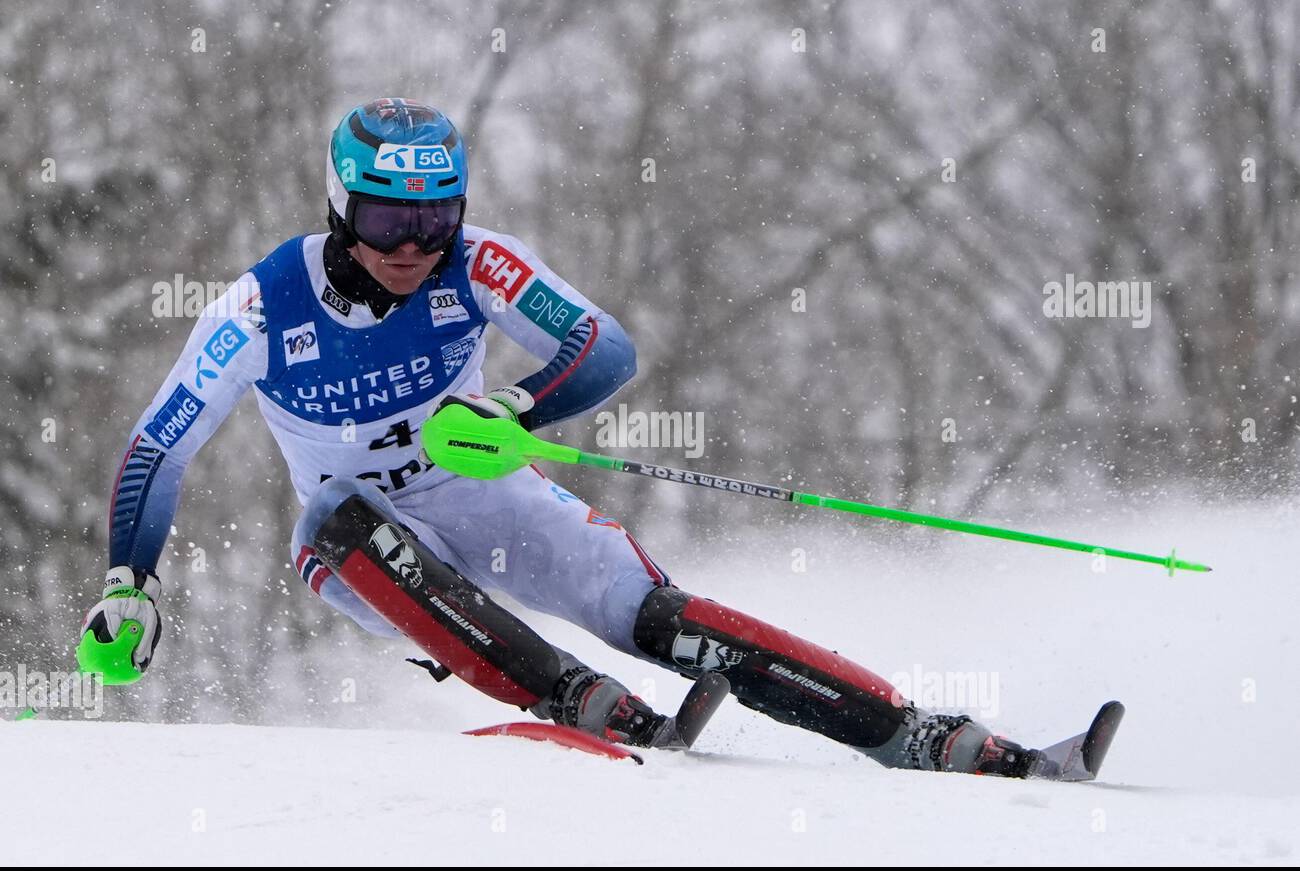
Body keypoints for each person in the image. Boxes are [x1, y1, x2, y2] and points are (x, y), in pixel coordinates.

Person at [86, 97, 1039, 775]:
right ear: (340, 208)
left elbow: (604, 346)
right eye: (386, 217)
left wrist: (518, 406)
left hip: (479, 492)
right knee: (337, 520)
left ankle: (916, 732)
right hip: (360, 550)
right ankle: (581, 699)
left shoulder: (476, 260)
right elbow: (157, 448)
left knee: (656, 617)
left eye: (435, 216)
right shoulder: (259, 305)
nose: (414, 245)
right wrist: (130, 581)